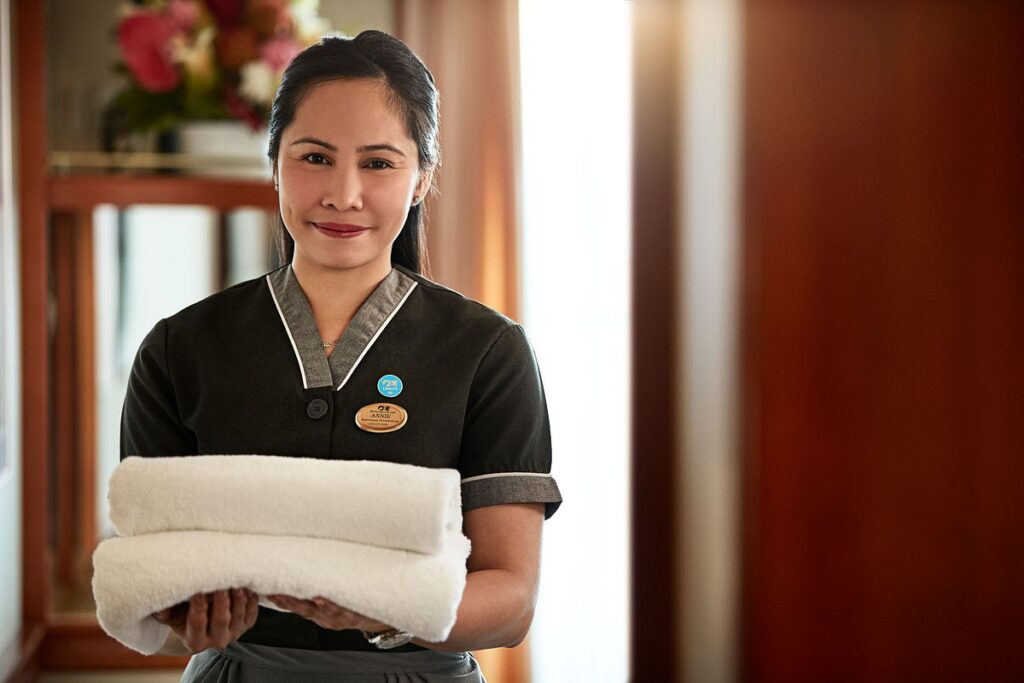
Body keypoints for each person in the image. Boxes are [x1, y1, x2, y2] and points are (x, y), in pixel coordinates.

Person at [121, 30, 563, 682]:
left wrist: (384, 608)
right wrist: (178, 618)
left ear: (421, 180)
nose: (344, 193)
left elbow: (511, 600)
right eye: (315, 157)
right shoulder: (178, 350)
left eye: (379, 163)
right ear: (273, 164)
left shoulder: (488, 352)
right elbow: (148, 584)